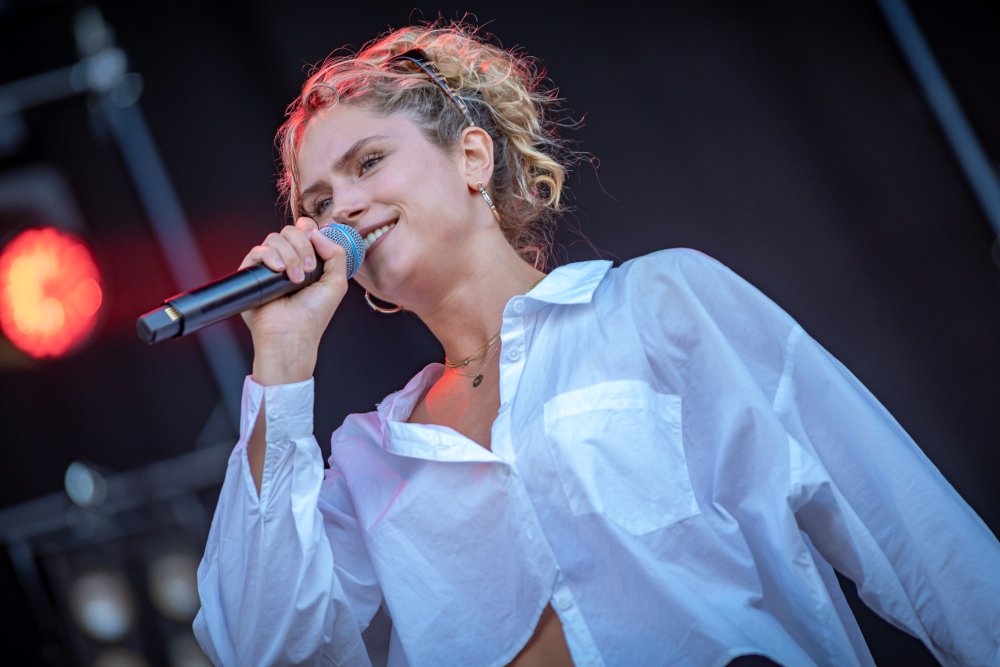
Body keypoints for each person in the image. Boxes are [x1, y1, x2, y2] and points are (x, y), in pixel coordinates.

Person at [192, 20, 1000, 667]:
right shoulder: (370, 456)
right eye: (318, 202)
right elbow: (264, 649)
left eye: (369, 162)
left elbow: (902, 521)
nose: (341, 209)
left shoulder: (657, 305)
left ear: (471, 157)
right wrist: (282, 359)